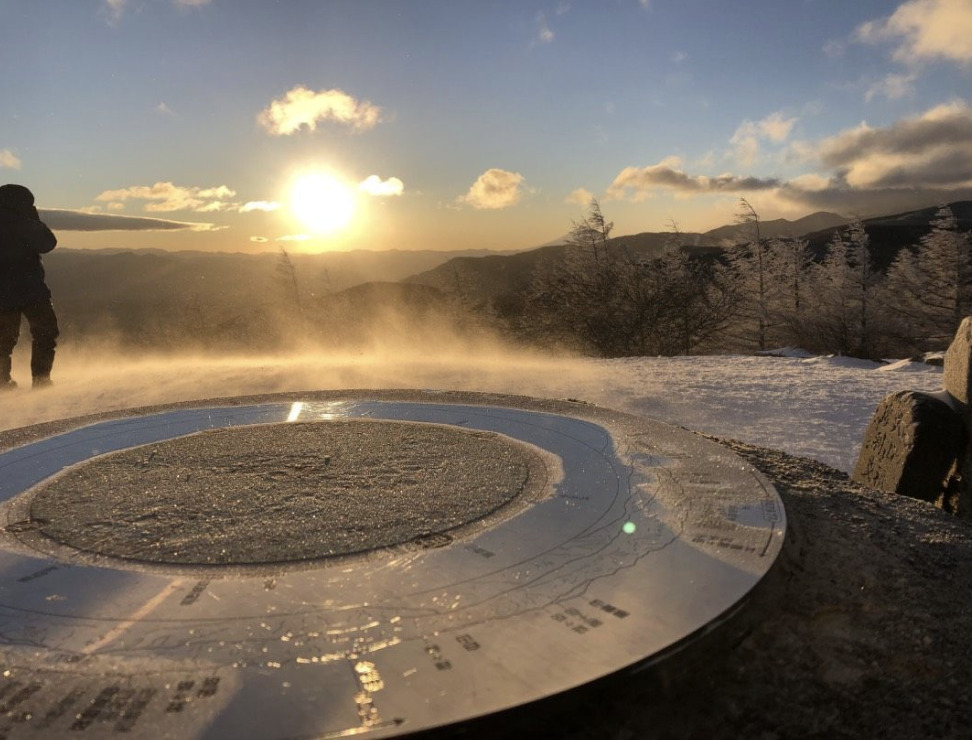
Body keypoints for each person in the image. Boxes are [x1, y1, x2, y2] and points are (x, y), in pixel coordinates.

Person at [0, 184, 59, 390]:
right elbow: (48, 243)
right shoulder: (23, 223)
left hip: (3, 295)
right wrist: (34, 219)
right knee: (45, 334)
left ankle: (2, 384)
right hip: (31, 290)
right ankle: (41, 381)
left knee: (3, 343)